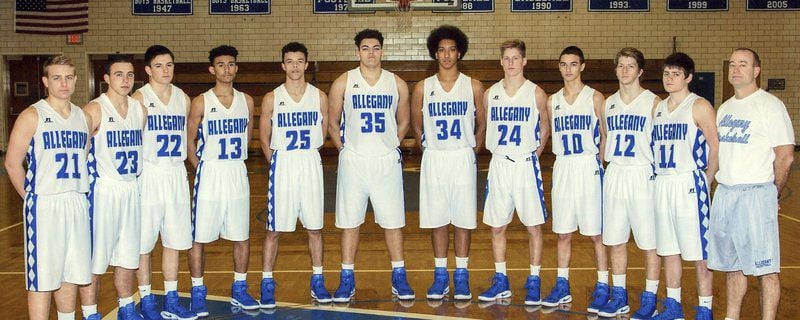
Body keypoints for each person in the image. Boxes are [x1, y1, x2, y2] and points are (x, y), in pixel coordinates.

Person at [326, 29, 414, 302]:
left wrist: (391, 145)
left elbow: (404, 121)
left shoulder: (396, 83)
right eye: (366, 48)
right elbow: (332, 122)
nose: (371, 53)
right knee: (350, 223)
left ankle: (399, 278)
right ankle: (346, 279)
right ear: (358, 52)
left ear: (382, 51)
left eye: (376, 48)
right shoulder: (343, 82)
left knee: (392, 223)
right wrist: (345, 149)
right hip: (354, 160)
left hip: (386, 161)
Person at [707, 48, 794, 320]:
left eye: (743, 64)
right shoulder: (726, 108)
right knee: (732, 267)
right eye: (732, 64)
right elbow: (719, 154)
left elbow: (785, 156)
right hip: (726, 194)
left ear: (756, 70)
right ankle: (731, 316)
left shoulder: (770, 105)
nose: (735, 69)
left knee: (766, 269)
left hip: (756, 194)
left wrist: (772, 193)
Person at [5, 55, 92, 320]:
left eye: (68, 77)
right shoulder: (33, 115)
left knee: (72, 272)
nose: (63, 84)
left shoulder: (84, 117)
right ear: (45, 81)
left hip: (77, 200)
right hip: (45, 203)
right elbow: (12, 163)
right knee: (43, 277)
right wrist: (31, 198)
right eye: (56, 78)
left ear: (76, 80)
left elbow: (85, 156)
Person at [410, 25, 485, 301]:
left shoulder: (473, 86)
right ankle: (441, 275)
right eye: (441, 50)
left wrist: (471, 149)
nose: (446, 55)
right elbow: (417, 128)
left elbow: (482, 124)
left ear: (460, 52)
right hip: (436, 157)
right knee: (438, 218)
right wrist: (430, 148)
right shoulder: (422, 88)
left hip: (462, 156)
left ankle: (462, 276)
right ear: (435, 53)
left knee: (463, 219)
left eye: (452, 49)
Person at [187, 45, 259, 315]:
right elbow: (189, 140)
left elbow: (248, 134)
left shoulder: (247, 101)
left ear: (236, 68)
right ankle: (198, 291)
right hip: (211, 173)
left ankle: (239, 289)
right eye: (221, 64)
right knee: (199, 238)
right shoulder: (201, 101)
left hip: (236, 172)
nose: (226, 69)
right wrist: (200, 167)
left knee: (241, 235)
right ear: (212, 69)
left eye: (231, 64)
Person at [477, 39, 551, 306]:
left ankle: (534, 279)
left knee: (533, 226)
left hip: (524, 163)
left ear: (524, 61)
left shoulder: (536, 93)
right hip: (499, 163)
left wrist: (534, 154)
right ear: (501, 61)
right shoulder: (490, 93)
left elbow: (545, 127)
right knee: (498, 226)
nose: (510, 63)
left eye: (515, 58)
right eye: (506, 58)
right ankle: (501, 280)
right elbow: (485, 125)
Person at [259, 42, 332, 308]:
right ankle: (267, 282)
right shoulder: (271, 97)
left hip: (310, 161)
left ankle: (318, 280)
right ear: (282, 65)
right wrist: (277, 162)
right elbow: (264, 138)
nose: (295, 66)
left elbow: (323, 133)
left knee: (315, 227)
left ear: (307, 64)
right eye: (289, 61)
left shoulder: (319, 96)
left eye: (299, 61)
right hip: (284, 163)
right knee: (274, 230)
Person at [78, 54, 146, 320]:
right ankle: (91, 314)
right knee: (95, 261)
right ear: (106, 78)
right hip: (103, 190)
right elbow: (81, 155)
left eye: (129, 75)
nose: (125, 80)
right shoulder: (94, 110)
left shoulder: (140, 109)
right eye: (119, 74)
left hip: (131, 188)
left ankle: (127, 307)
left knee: (128, 256)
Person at [650, 52, 719, 320]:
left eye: (676, 74)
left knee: (699, 253)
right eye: (667, 73)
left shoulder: (699, 106)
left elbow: (716, 144)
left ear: (688, 77)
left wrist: (707, 178)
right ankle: (673, 307)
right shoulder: (659, 108)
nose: (669, 78)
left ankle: (704, 310)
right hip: (664, 182)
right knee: (669, 250)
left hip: (689, 182)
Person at [131, 45, 197, 320]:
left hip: (175, 173)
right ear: (147, 70)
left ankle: (171, 297)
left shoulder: (183, 97)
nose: (165, 70)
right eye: (159, 66)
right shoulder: (139, 98)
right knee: (145, 244)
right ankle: (146, 299)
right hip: (150, 173)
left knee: (174, 241)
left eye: (169, 64)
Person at [542, 46, 610, 312]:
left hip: (587, 165)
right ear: (559, 67)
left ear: (582, 66)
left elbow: (605, 134)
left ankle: (603, 285)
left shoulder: (595, 98)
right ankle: (562, 286)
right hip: (563, 167)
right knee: (563, 233)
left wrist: (600, 163)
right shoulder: (552, 100)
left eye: (573, 64)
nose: (568, 69)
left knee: (596, 234)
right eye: (563, 64)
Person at [597, 47, 662, 319]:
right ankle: (619, 295)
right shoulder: (608, 103)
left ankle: (649, 298)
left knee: (649, 243)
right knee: (615, 240)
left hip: (641, 173)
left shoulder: (654, 102)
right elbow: (603, 137)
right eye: (620, 66)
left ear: (640, 71)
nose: (624, 71)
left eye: (630, 66)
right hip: (615, 173)